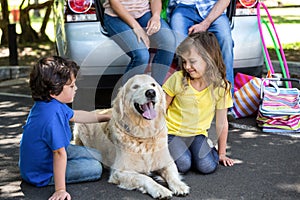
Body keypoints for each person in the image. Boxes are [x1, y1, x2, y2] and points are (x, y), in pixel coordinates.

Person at [19, 56, 111, 200]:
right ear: (54, 89)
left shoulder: (52, 103)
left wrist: (106, 117)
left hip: (44, 157)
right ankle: (58, 180)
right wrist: (60, 190)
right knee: (95, 167)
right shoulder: (51, 117)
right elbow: (59, 153)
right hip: (41, 173)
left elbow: (77, 115)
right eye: (72, 86)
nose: (76, 88)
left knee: (100, 155)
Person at [162, 32, 234, 174]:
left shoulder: (221, 87)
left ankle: (203, 150)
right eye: (184, 61)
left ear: (209, 59)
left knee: (206, 166)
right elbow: (161, 109)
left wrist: (222, 153)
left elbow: (221, 122)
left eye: (192, 61)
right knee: (183, 164)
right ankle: (176, 154)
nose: (187, 66)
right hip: (171, 133)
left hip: (196, 135)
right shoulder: (178, 78)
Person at [166, 0, 234, 95]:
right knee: (180, 46)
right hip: (184, 7)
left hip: (213, 8)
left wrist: (205, 24)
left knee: (225, 40)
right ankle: (187, 96)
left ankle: (227, 98)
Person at [103, 0, 176, 85]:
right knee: (142, 55)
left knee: (169, 43)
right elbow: (114, 4)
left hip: (143, 13)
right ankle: (127, 95)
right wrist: (137, 28)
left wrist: (156, 17)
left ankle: (155, 87)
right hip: (115, 15)